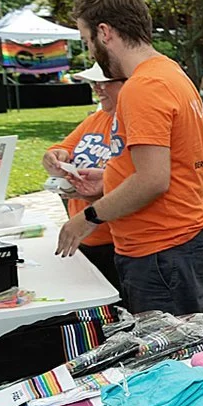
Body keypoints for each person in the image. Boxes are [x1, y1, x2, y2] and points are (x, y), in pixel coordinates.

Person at [55, 0, 203, 317]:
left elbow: (153, 179)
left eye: (88, 43)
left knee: (168, 359)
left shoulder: (143, 86)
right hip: (173, 244)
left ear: (105, 32)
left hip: (161, 249)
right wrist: (109, 178)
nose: (91, 53)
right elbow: (165, 162)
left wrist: (88, 218)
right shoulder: (168, 72)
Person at [42, 65, 127, 294]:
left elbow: (138, 183)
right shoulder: (97, 119)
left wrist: (99, 192)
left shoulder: (130, 123)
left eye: (103, 82)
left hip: (115, 240)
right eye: (93, 83)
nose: (97, 88)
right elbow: (62, 148)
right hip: (84, 237)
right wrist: (54, 157)